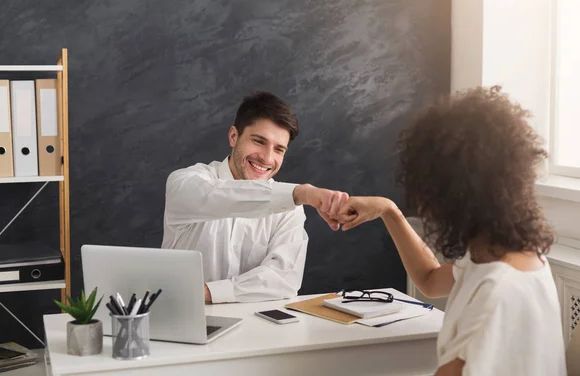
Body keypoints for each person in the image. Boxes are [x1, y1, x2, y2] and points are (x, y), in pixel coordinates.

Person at [336, 87, 566, 375]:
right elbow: (430, 280)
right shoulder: (508, 257)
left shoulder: (497, 293)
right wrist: (388, 211)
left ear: (451, 193)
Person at [162, 91, 348, 303]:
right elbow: (217, 196)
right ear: (233, 136)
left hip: (257, 327)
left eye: (279, 149)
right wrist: (301, 192)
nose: (267, 158)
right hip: (181, 321)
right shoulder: (184, 182)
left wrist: (206, 292)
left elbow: (283, 279)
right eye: (259, 141)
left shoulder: (290, 207)